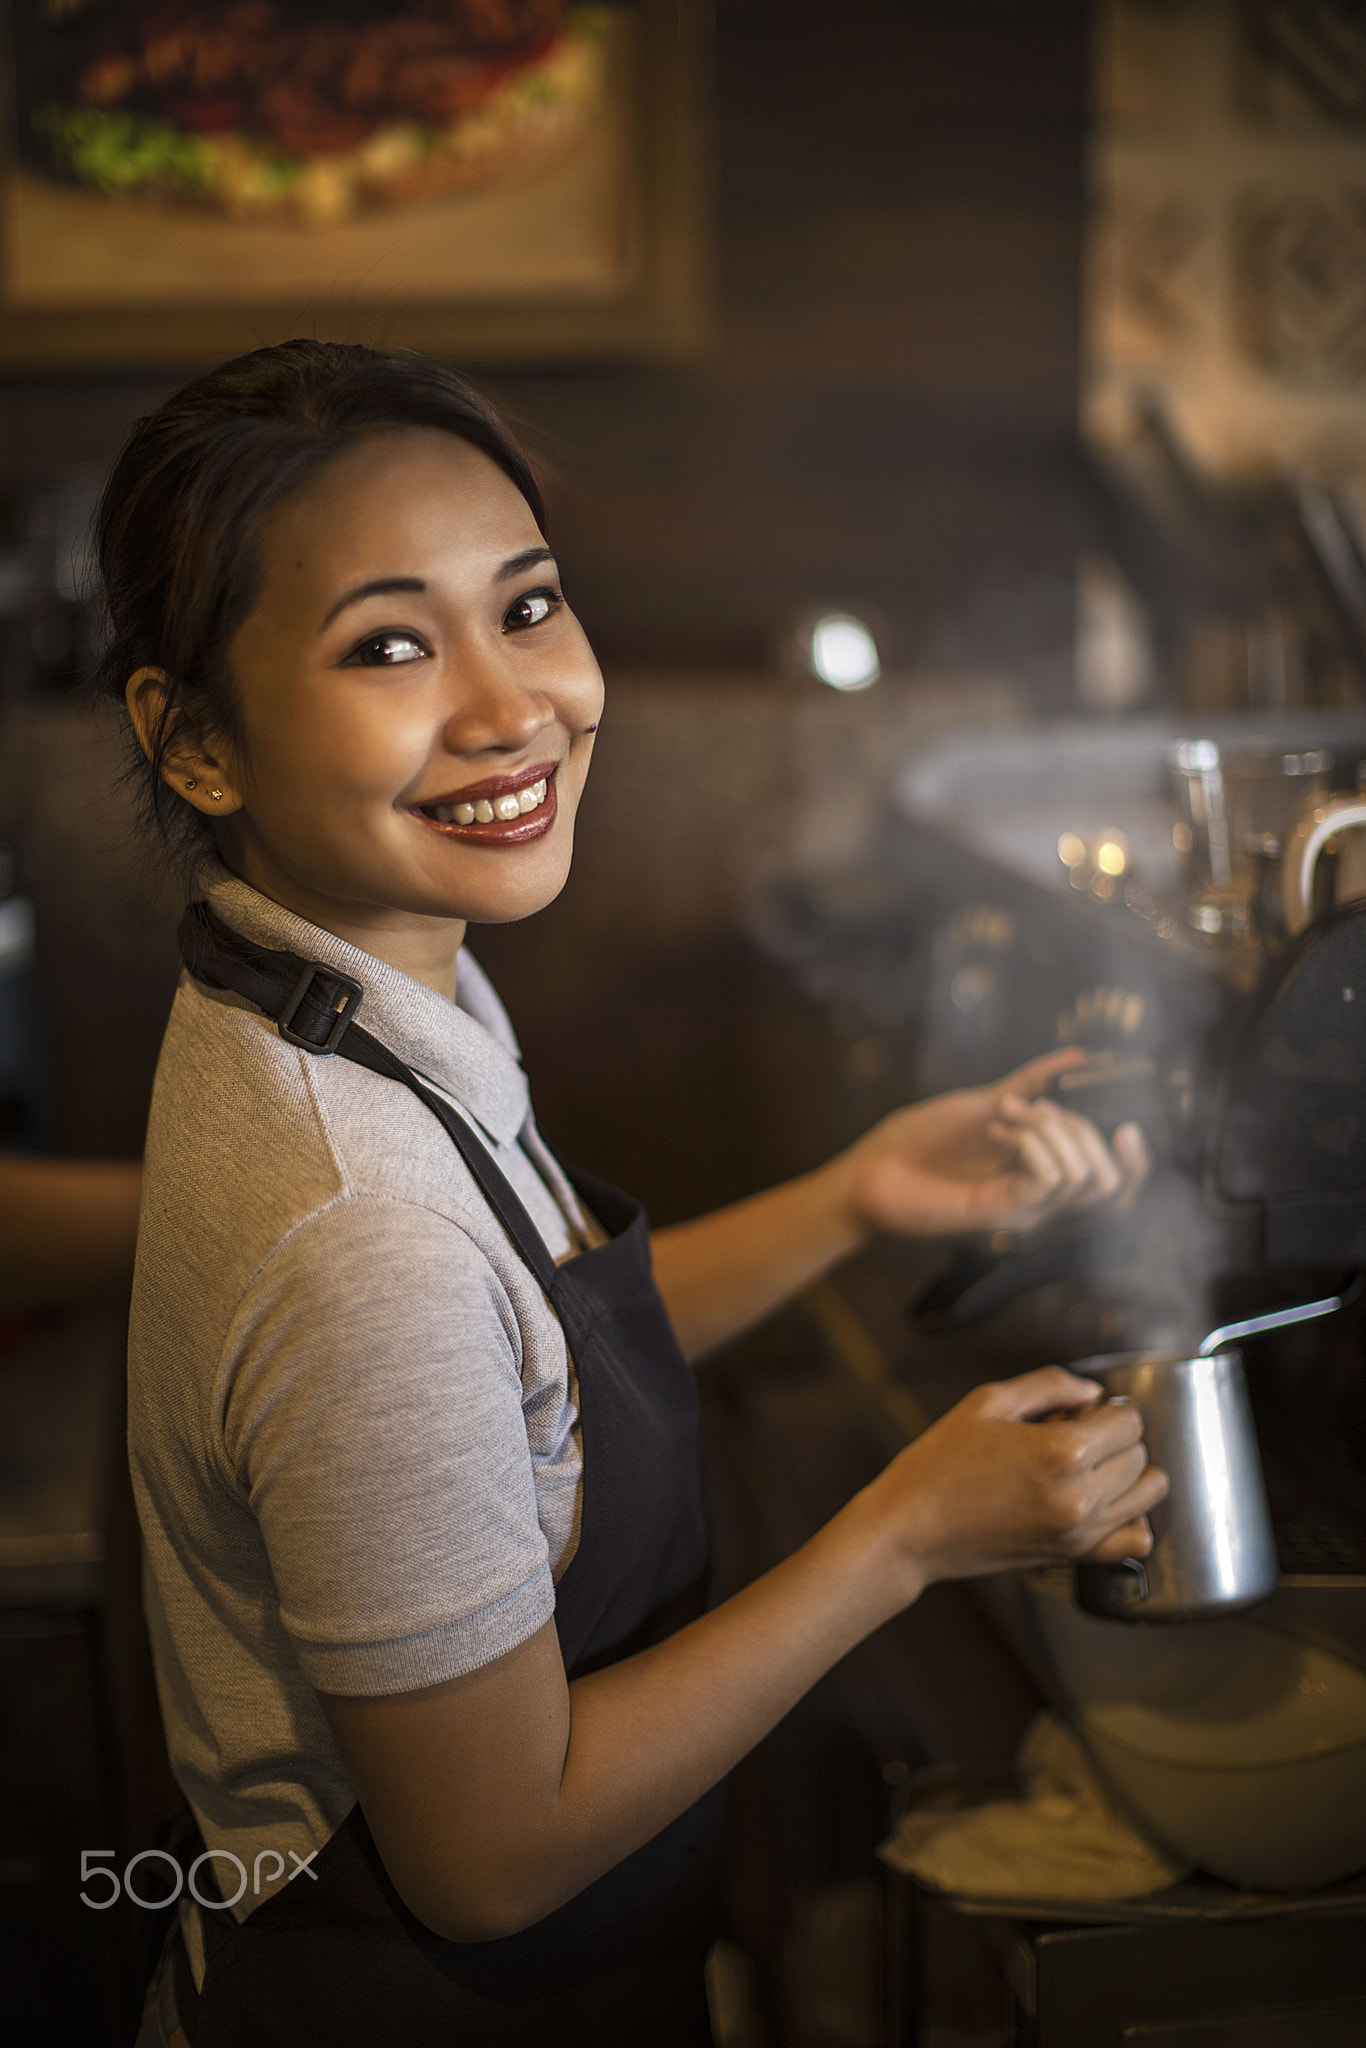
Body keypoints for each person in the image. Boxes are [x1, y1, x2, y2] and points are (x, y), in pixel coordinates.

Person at [107, 341, 1164, 2048]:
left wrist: (850, 1196)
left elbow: (516, 1376)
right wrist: (905, 1536)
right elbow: (490, 1854)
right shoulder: (353, 1230)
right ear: (194, 741)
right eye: (389, 644)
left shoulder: (347, 979)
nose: (512, 704)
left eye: (526, 607)